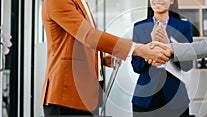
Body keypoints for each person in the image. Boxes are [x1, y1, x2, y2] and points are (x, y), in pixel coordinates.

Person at [41, 0, 172, 116]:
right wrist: (138, 49)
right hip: (67, 96)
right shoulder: (58, 1)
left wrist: (101, 60)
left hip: (86, 97)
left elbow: (78, 43)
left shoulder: (81, 3)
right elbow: (89, 37)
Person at [131, 0, 193, 116]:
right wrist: (151, 44)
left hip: (176, 97)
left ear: (171, 1)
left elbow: (187, 65)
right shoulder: (139, 27)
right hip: (145, 99)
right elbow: (137, 66)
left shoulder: (184, 27)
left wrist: (169, 44)